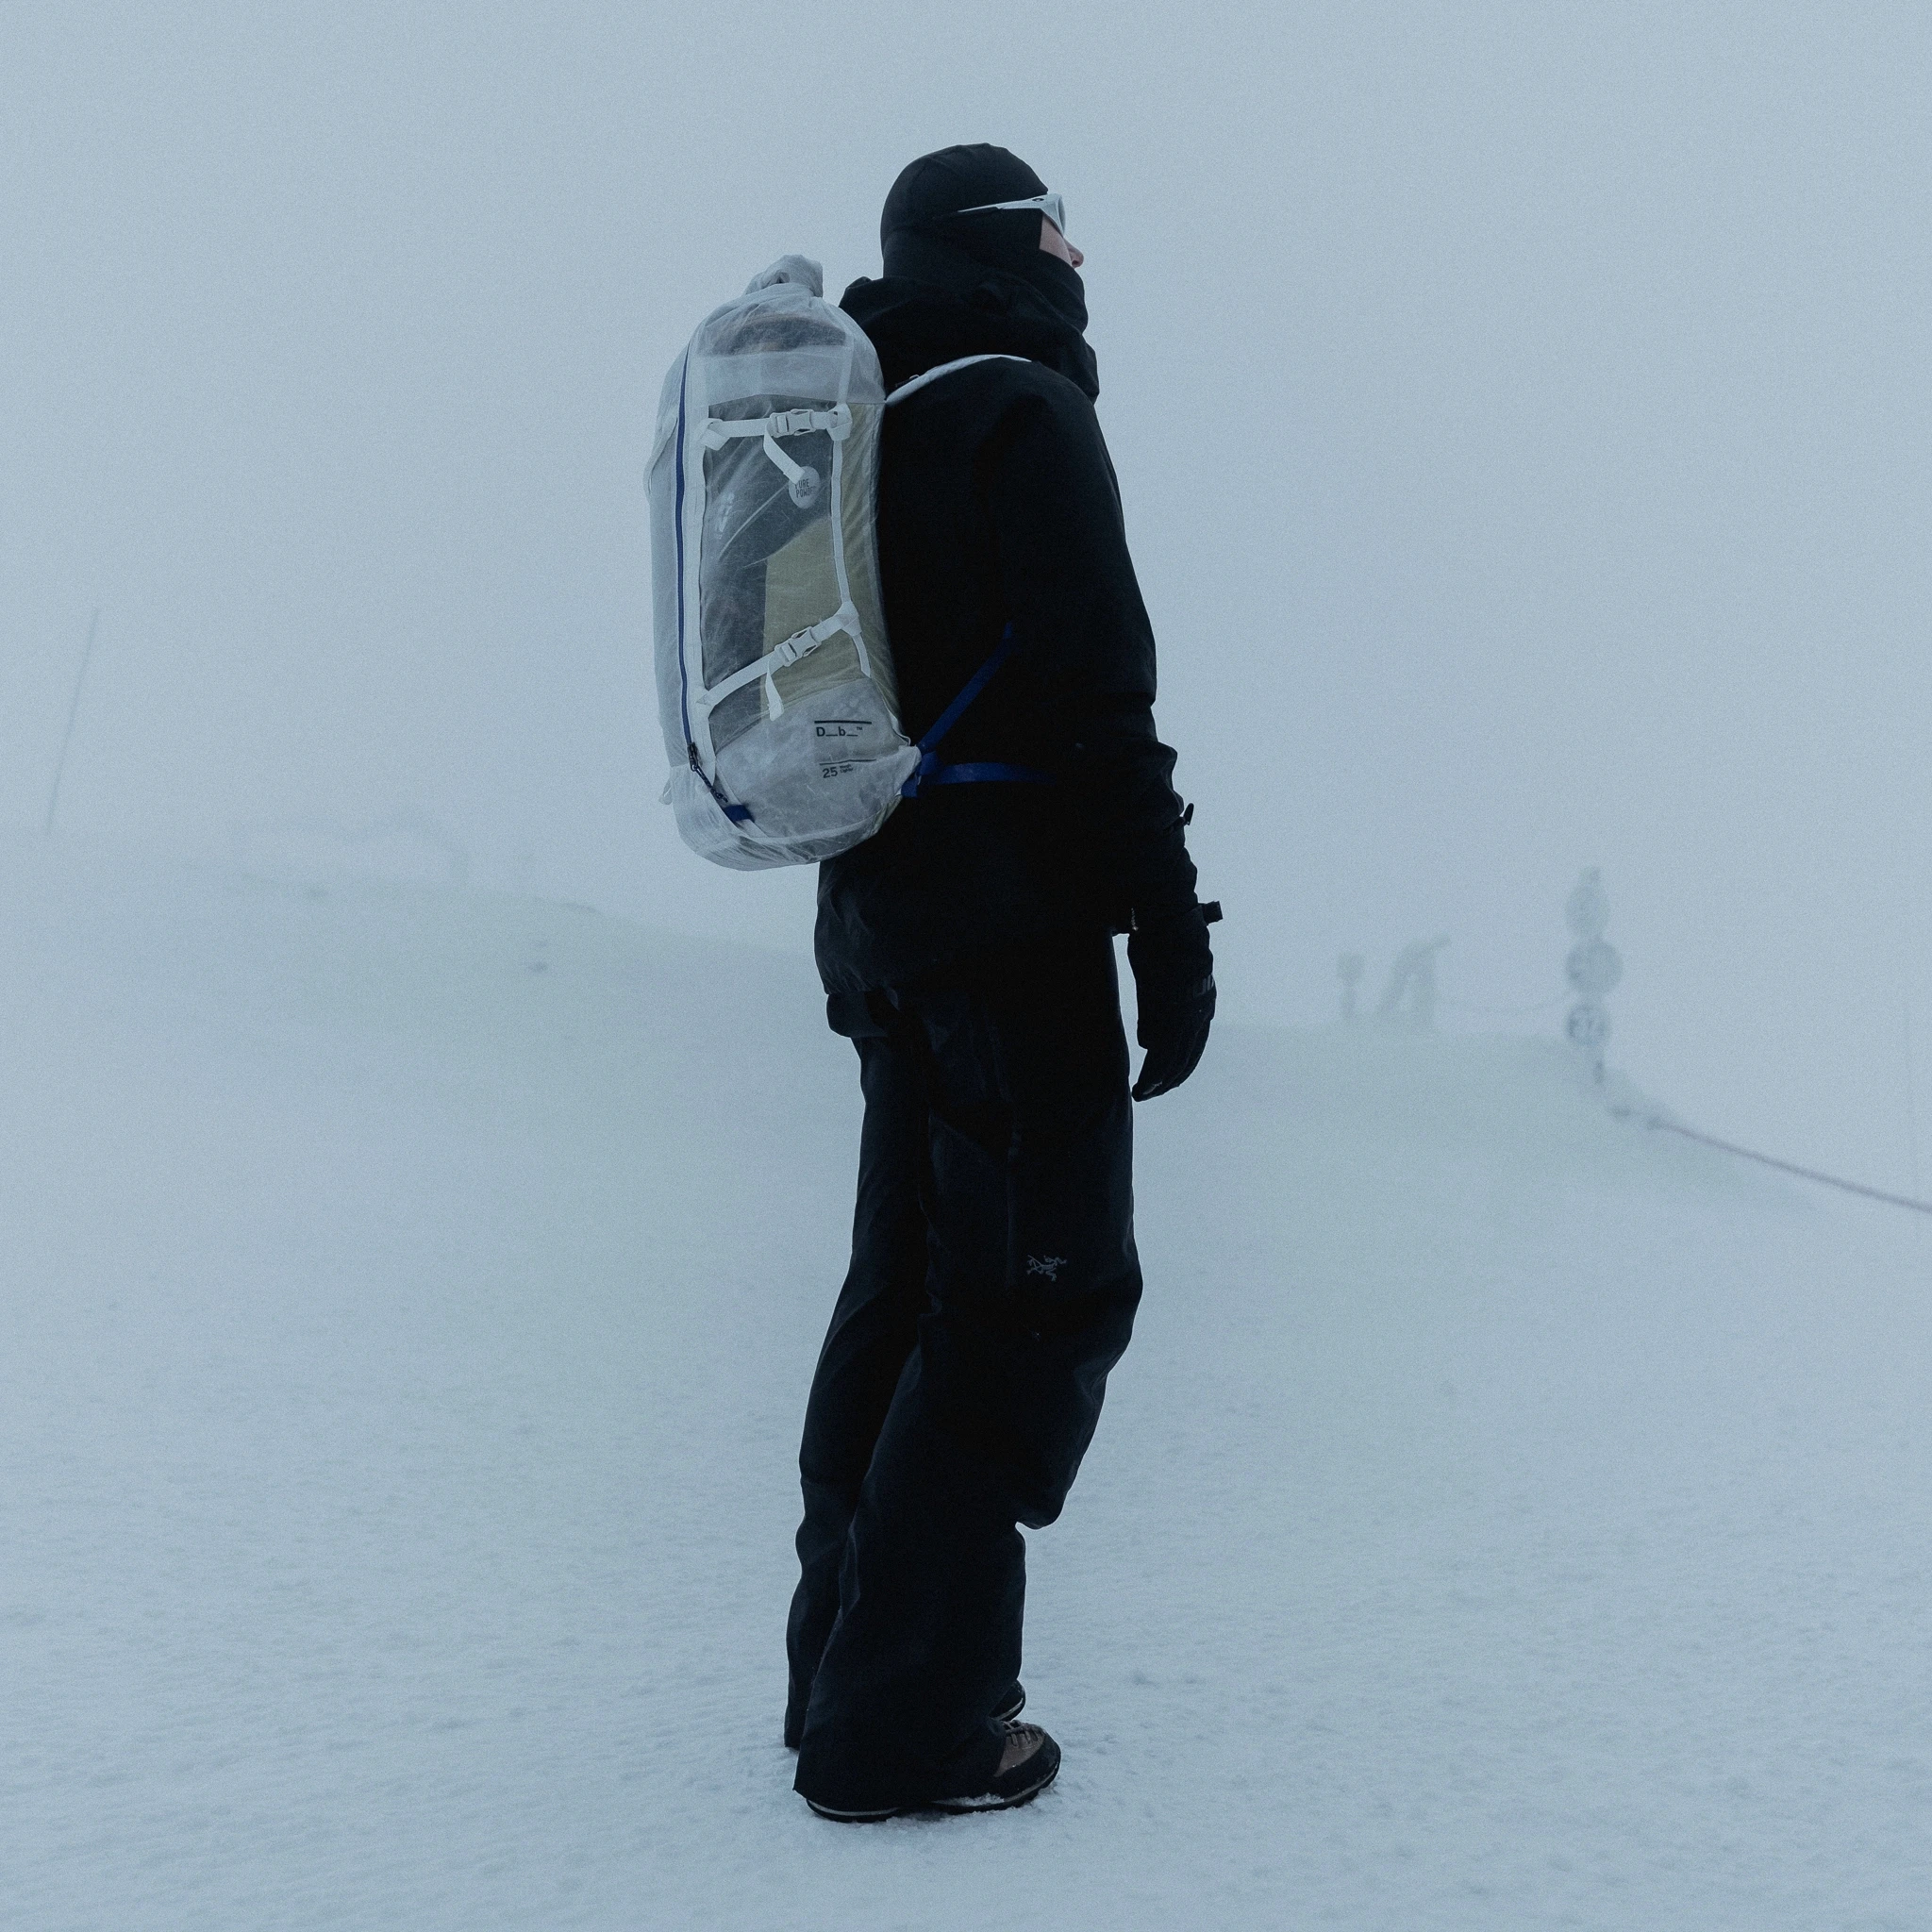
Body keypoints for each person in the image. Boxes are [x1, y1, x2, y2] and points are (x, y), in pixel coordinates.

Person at [785, 144, 1217, 1822]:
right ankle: (905, 1730)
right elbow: (1101, 695)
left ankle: (839, 1675)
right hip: (1012, 927)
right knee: (1032, 1304)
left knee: (904, 1291)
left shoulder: (855, 430)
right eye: (1052, 229)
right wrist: (1167, 934)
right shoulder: (1020, 413)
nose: (1073, 257)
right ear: (993, 247)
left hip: (881, 924)